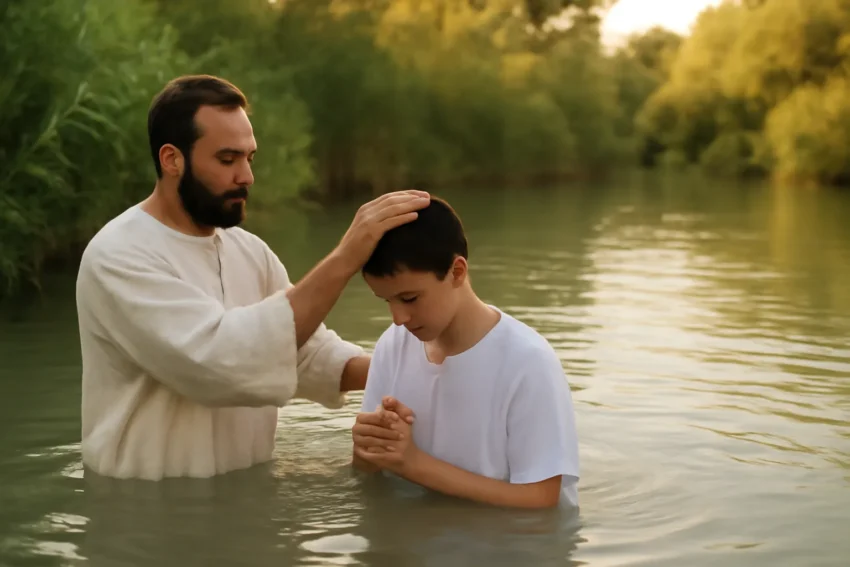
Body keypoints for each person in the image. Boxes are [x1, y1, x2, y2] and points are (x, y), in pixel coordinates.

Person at [75, 74, 425, 480]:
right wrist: (346, 257)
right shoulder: (119, 256)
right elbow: (220, 362)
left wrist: (410, 370)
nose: (247, 177)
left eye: (249, 158)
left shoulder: (250, 251)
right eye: (227, 160)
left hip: (248, 501)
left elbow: (304, 352)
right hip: (145, 517)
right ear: (172, 159)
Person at [349, 197, 580, 509]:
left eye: (410, 297)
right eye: (386, 300)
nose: (398, 317)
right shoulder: (393, 345)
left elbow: (541, 499)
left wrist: (413, 465)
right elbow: (368, 472)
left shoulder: (527, 362)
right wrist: (369, 448)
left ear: (457, 271)